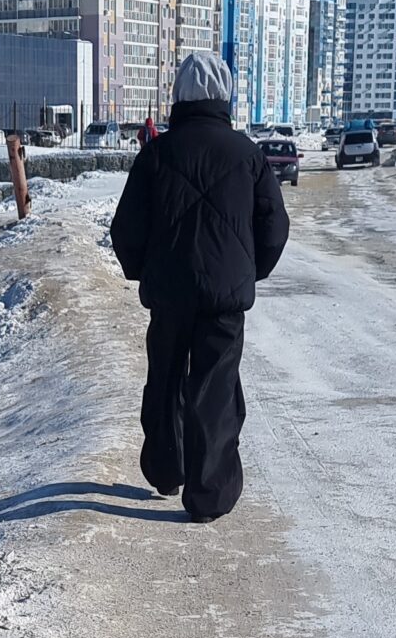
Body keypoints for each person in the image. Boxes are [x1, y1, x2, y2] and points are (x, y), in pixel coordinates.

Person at [108, 52, 288, 523]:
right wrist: (248, 271)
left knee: (165, 379)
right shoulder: (248, 154)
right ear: (224, 95)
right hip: (223, 300)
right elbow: (274, 226)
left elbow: (126, 228)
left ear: (179, 96)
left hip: (168, 293)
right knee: (215, 390)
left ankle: (167, 472)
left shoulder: (156, 154)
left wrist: (141, 270)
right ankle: (207, 495)